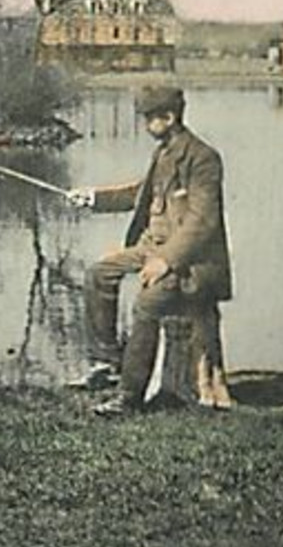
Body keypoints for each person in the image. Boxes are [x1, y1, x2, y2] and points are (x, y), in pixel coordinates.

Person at [65, 85, 234, 416]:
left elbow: (202, 223)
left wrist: (166, 261)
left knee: (148, 303)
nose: (145, 126)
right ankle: (108, 363)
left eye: (148, 119)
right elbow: (139, 194)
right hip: (150, 248)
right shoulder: (164, 153)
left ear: (168, 118)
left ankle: (129, 397)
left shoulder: (202, 159)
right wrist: (92, 198)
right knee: (99, 274)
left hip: (191, 263)